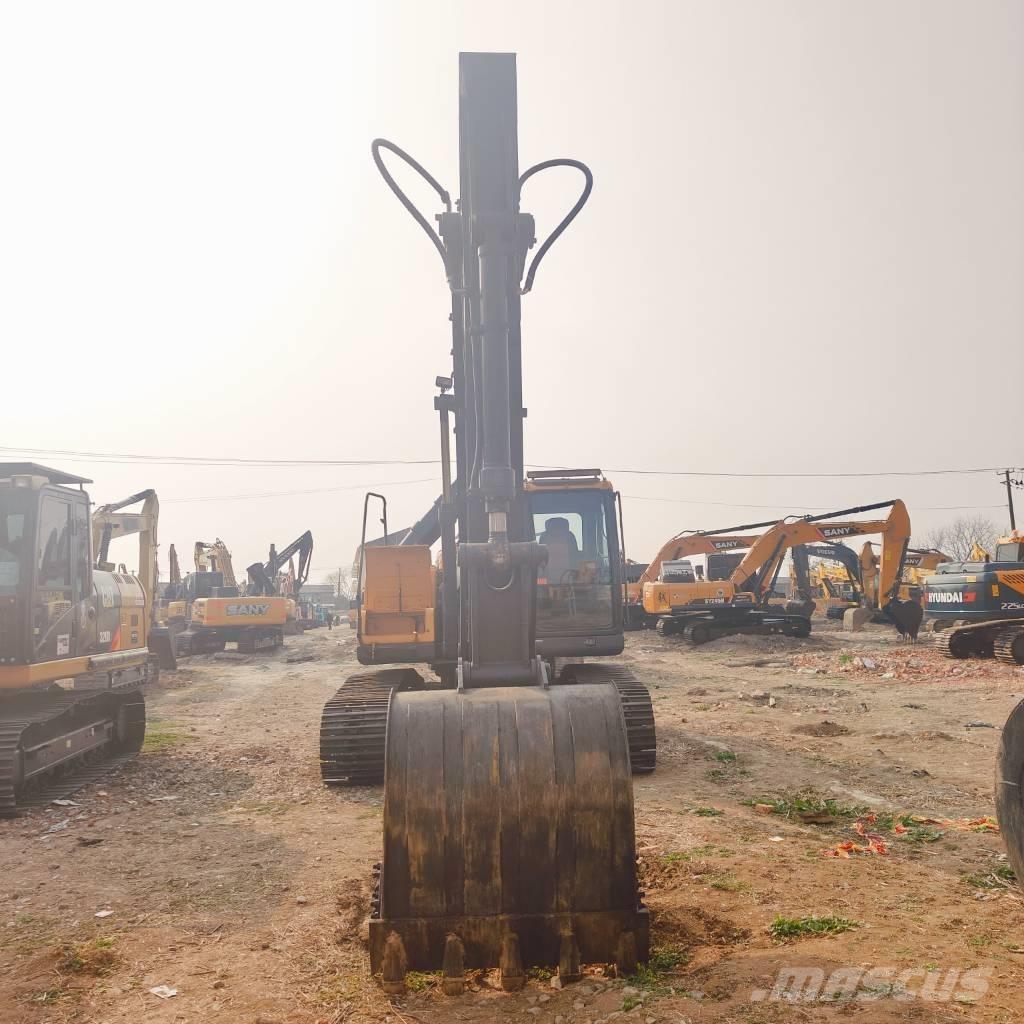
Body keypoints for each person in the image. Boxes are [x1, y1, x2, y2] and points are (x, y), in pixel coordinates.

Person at [538, 517, 579, 584]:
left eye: (561, 541)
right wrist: (546, 582)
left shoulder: (581, 571)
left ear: (570, 546)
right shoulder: (536, 570)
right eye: (553, 541)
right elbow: (537, 584)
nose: (557, 546)